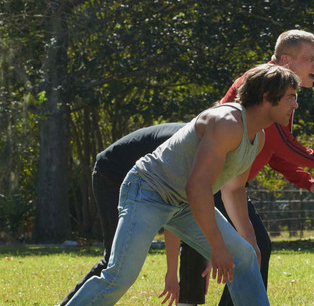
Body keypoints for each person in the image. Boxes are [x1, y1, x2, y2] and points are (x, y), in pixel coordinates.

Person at [64, 64, 300, 306]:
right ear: (266, 98)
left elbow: (235, 189)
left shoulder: (258, 136)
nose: (295, 105)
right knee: (119, 277)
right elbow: (197, 187)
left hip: (182, 203)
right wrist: (217, 246)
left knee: (245, 257)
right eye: (291, 97)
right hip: (147, 191)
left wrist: (250, 242)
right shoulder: (226, 123)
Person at [174, 29, 314, 306]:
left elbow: (274, 151)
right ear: (286, 59)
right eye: (310, 59)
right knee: (233, 247)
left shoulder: (284, 92)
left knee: (249, 248)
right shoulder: (258, 83)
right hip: (207, 179)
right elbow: (281, 142)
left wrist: (309, 182)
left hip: (230, 184)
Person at [59, 123, 189, 306]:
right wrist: (171, 273)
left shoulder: (203, 143)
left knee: (115, 262)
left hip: (135, 178)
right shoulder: (190, 146)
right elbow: (173, 214)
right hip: (111, 173)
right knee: (115, 262)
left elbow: (177, 213)